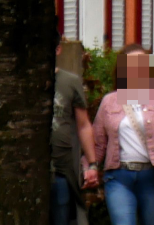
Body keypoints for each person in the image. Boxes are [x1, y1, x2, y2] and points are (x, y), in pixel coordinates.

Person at [93, 45, 154, 225]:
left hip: (153, 178)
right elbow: (98, 143)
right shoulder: (109, 101)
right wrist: (89, 167)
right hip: (119, 177)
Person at [52, 42, 96, 225]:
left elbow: (83, 125)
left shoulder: (70, 81)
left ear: (58, 49)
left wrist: (92, 164)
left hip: (61, 169)